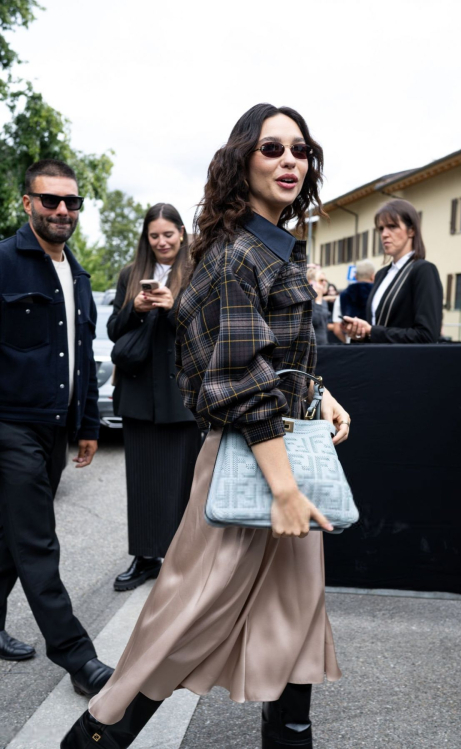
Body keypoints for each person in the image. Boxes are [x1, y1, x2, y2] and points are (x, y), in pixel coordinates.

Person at [62, 103, 351, 749]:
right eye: (272, 148)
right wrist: (282, 490)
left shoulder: (272, 248)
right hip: (254, 468)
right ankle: (91, 738)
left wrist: (319, 393)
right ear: (242, 159)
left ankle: (290, 733)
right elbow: (239, 380)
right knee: (182, 624)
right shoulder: (234, 254)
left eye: (300, 151)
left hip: (282, 466)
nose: (289, 161)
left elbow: (276, 356)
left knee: (294, 627)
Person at [0, 159, 113, 697]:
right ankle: (78, 657)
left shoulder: (79, 275)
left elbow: (83, 361)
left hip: (53, 431)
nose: (63, 210)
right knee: (38, 542)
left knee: (8, 542)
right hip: (9, 428)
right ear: (28, 203)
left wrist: (86, 423)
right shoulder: (3, 262)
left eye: (72, 202)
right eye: (51, 201)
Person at [109, 204, 201, 591]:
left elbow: (208, 328)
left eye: (168, 234)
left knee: (180, 482)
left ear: (181, 233)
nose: (161, 242)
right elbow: (114, 329)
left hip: (180, 394)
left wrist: (173, 305)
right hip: (139, 393)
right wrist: (136, 306)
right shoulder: (132, 275)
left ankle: (178, 561)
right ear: (146, 239)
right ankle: (145, 556)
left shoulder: (197, 270)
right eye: (154, 236)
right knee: (142, 481)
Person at [342, 199, 443, 343]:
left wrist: (372, 331)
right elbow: (378, 328)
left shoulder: (423, 271)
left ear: (412, 230)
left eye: (392, 226)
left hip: (404, 363)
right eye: (381, 228)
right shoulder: (382, 274)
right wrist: (361, 333)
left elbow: (426, 335)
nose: (384, 234)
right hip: (376, 360)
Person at [332, 260, 375, 343]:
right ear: (373, 276)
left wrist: (347, 342)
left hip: (353, 344)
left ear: (355, 276)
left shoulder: (342, 296)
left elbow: (337, 329)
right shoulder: (379, 294)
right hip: (377, 343)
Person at [307, 267, 330, 344]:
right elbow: (315, 321)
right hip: (312, 344)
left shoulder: (323, 301)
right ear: (311, 282)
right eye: (321, 280)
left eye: (325, 280)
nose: (324, 283)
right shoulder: (308, 300)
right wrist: (318, 300)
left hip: (323, 343)